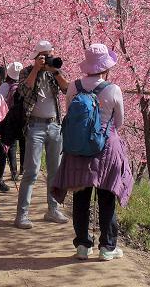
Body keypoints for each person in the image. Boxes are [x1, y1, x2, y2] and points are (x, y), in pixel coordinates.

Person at [51, 44, 133, 261]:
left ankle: (82, 246)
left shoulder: (74, 86)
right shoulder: (113, 89)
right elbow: (119, 121)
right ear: (105, 67)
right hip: (106, 148)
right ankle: (107, 247)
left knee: (81, 198)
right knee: (106, 198)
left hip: (77, 149)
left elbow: (71, 115)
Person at [14, 40, 70, 229]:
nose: (48, 58)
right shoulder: (27, 71)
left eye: (50, 54)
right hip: (35, 126)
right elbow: (23, 89)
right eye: (45, 55)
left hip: (55, 125)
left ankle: (53, 209)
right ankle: (22, 214)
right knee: (31, 171)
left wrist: (55, 71)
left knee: (55, 170)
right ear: (37, 56)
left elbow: (67, 89)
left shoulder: (55, 72)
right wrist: (36, 69)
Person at [0, 62, 23, 180]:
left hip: (9, 117)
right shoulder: (25, 84)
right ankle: (23, 168)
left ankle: (14, 171)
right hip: (23, 117)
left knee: (12, 144)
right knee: (24, 143)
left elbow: (0, 100)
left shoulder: (5, 86)